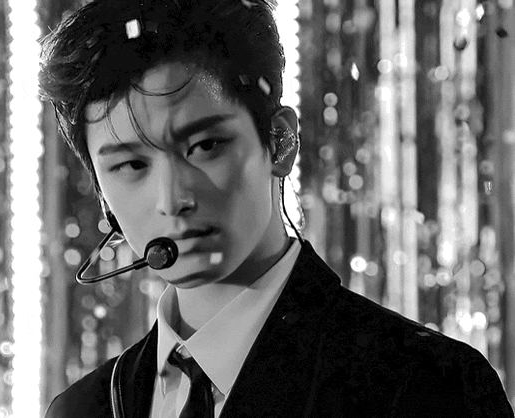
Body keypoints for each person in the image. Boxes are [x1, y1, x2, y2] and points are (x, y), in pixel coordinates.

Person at [38, 0, 514, 417]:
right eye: (130, 165)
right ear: (102, 193)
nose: (172, 199)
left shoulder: (427, 384)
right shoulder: (83, 408)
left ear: (281, 141)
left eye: (205, 146)